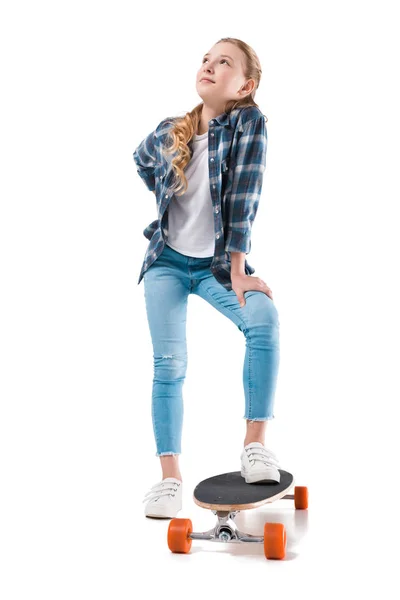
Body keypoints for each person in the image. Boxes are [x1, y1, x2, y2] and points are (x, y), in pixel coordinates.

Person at [133, 37, 281, 518]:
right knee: (169, 364)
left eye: (225, 63)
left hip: (218, 265)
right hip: (168, 263)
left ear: (245, 86)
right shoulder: (169, 131)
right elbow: (140, 160)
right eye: (206, 59)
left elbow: (245, 196)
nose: (210, 66)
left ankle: (254, 444)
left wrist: (238, 269)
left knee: (263, 319)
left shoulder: (248, 124)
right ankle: (169, 479)